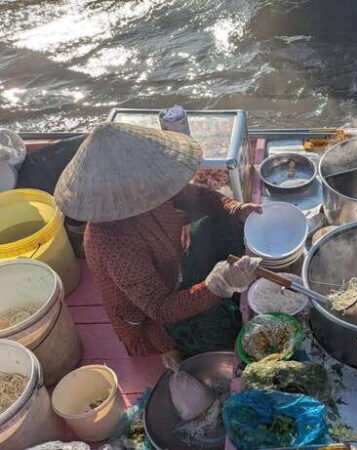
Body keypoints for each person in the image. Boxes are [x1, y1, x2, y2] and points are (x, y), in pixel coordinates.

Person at [54, 122, 263, 366]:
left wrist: (235, 209)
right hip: (153, 319)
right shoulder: (114, 245)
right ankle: (202, 318)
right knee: (220, 327)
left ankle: (224, 290)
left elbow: (195, 196)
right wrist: (217, 285)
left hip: (177, 269)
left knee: (226, 225)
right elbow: (160, 308)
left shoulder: (152, 187)